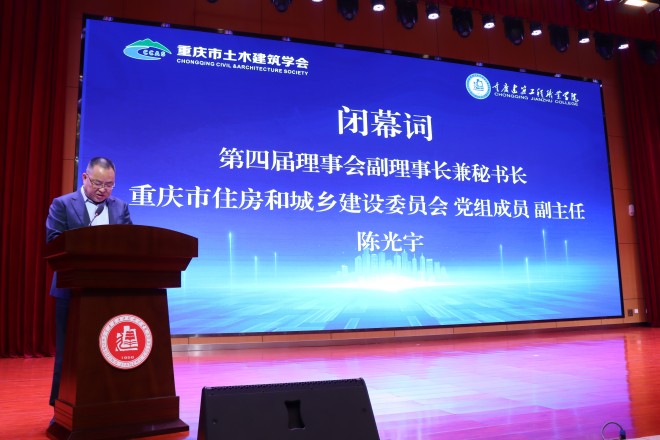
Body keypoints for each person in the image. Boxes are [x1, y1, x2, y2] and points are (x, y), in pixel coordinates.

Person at [45, 157, 132, 413]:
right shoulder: (62, 204)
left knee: (106, 351)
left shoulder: (120, 207)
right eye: (97, 183)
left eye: (109, 185)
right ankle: (61, 408)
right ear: (85, 178)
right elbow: (53, 241)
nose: (103, 189)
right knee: (68, 355)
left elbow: (131, 242)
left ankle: (105, 405)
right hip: (71, 290)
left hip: (108, 292)